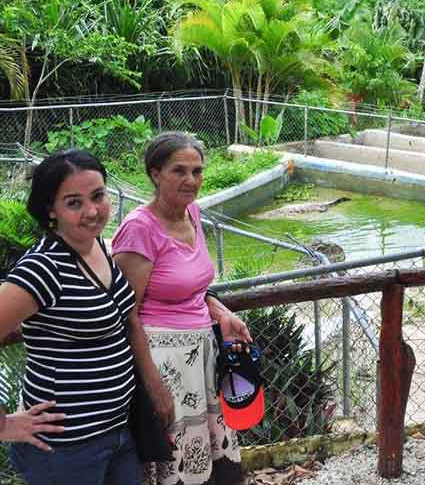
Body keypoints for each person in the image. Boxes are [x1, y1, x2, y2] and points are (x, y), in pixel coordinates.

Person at [112, 132, 252, 485]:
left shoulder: (192, 212)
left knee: (210, 457)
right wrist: (153, 383)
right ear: (155, 174)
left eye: (197, 171)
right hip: (164, 362)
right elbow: (127, 314)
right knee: (175, 460)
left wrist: (219, 312)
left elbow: (192, 287)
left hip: (201, 354)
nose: (191, 181)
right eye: (179, 171)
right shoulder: (139, 229)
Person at [0, 149, 139, 485]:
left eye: (98, 196)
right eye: (74, 203)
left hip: (117, 430)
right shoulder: (44, 268)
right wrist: (3, 425)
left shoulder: (97, 247)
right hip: (66, 449)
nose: (92, 211)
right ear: (52, 210)